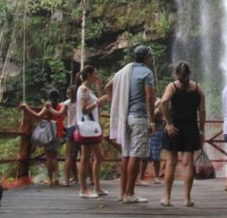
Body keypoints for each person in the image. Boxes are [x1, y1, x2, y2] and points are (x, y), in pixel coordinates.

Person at [106, 45, 156, 203]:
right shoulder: (147, 72)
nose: (152, 58)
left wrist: (115, 103)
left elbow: (108, 87)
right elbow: (149, 97)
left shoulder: (123, 72)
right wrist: (152, 120)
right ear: (146, 57)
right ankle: (130, 193)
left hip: (125, 117)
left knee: (126, 154)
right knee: (135, 154)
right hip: (139, 117)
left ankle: (123, 193)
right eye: (151, 56)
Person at [160, 61, 206, 207]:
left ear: (176, 74)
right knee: (188, 164)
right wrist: (201, 130)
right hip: (191, 128)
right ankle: (187, 198)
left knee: (171, 163)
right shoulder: (198, 88)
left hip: (175, 128)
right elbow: (202, 111)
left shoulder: (172, 87)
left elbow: (163, 102)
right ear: (189, 74)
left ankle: (167, 198)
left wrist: (168, 122)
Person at [19, 89, 64, 186]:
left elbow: (38, 115)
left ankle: (50, 179)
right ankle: (56, 178)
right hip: (57, 131)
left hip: (49, 132)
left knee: (48, 156)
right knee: (55, 156)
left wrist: (27, 108)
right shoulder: (60, 105)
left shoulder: (48, 105)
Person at [75, 65, 109, 198]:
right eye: (95, 73)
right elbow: (83, 110)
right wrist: (97, 102)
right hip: (86, 126)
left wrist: (99, 90)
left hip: (93, 126)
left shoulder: (89, 90)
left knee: (99, 156)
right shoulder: (83, 89)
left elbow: (100, 105)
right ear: (89, 74)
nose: (97, 75)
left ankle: (97, 187)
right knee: (85, 157)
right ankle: (83, 189)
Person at [48, 85, 78, 186]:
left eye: (68, 93)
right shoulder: (82, 101)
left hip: (71, 128)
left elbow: (59, 114)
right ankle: (88, 180)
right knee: (85, 155)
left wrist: (48, 108)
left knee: (68, 156)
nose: (67, 95)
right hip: (81, 128)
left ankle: (67, 181)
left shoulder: (67, 103)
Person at [137, 97, 164, 185]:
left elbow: (157, 114)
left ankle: (156, 176)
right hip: (145, 130)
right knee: (144, 156)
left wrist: (154, 109)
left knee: (156, 156)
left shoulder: (159, 101)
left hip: (157, 131)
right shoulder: (143, 101)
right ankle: (141, 177)